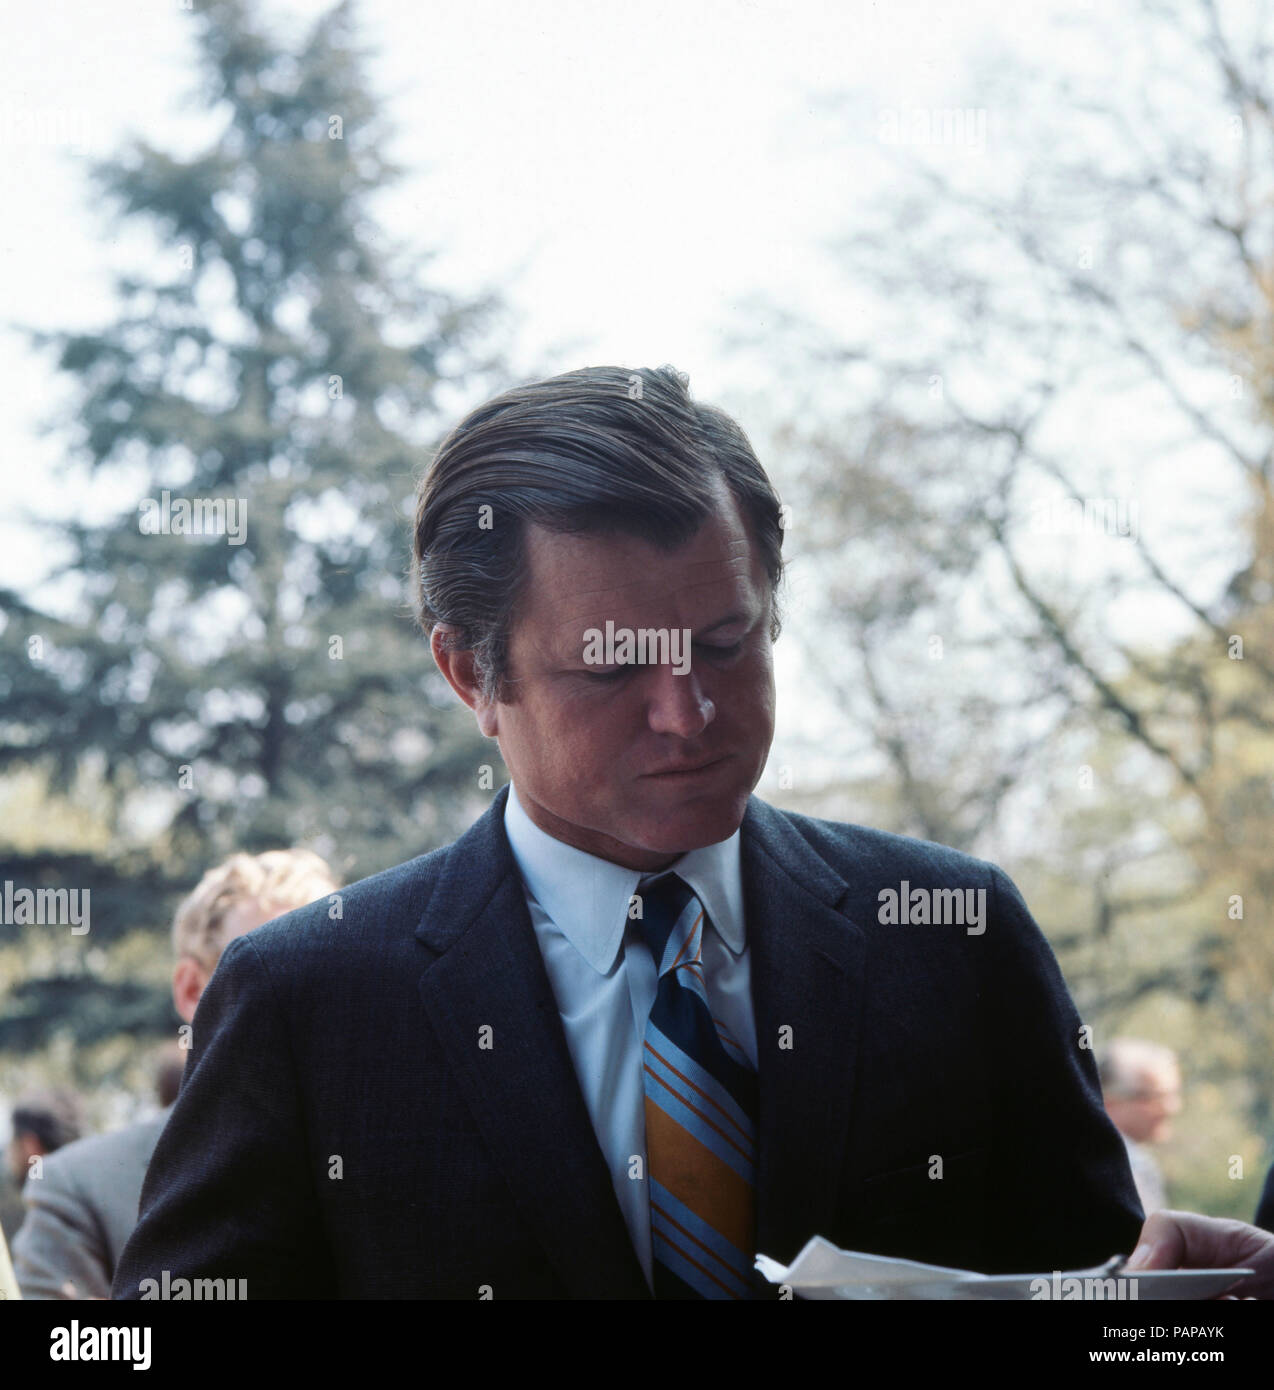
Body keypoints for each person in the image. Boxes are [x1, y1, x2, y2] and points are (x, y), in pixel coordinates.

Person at [114, 364, 1143, 1301]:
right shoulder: (311, 1003)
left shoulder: (952, 937)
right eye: (611, 667)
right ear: (470, 672)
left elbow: (1104, 1295)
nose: (686, 711)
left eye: (724, 643)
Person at [13, 849, 339, 1300]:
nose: (305, 1007)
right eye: (268, 978)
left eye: (334, 979)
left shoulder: (405, 1161)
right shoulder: (80, 1191)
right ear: (190, 990)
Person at [1098, 1038, 1182, 1214]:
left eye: (1172, 1095)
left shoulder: (1138, 1163)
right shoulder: (1119, 1170)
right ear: (1110, 1102)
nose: (1172, 1107)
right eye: (1155, 1096)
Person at [2, 1090, 84, 1246]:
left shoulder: (45, 1224)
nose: (9, 1155)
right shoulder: (87, 1208)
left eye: (13, 1143)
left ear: (30, 1145)